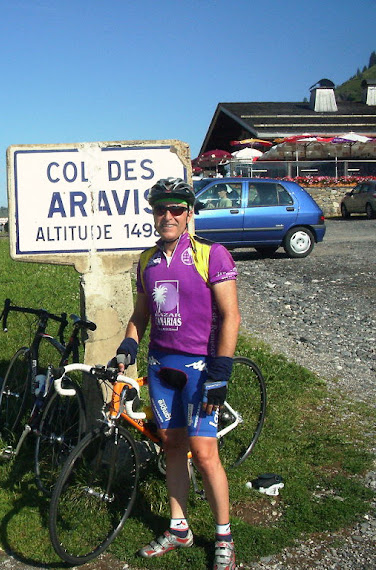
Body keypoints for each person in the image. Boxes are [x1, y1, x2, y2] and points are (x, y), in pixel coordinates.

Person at [113, 178, 240, 570]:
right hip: (161, 366)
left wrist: (221, 368)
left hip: (200, 367)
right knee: (171, 447)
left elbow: (231, 315)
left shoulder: (210, 255)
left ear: (188, 214)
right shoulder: (146, 259)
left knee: (203, 453)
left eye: (176, 209)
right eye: (159, 209)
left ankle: (224, 537)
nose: (167, 216)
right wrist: (129, 343)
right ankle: (179, 527)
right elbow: (141, 314)